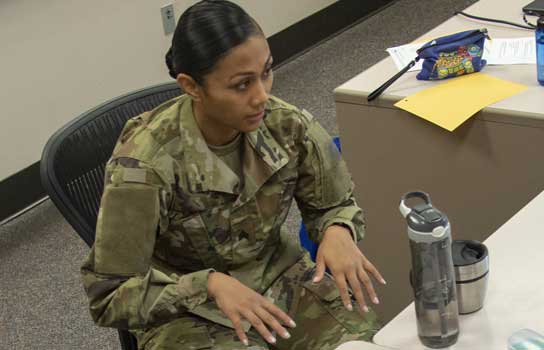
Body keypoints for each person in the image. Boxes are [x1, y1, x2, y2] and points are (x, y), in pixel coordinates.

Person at [81, 1, 381, 349]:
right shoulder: (145, 162)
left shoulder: (286, 125)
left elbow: (335, 202)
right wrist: (206, 285)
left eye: (266, 72)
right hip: (188, 313)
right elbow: (109, 295)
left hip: (278, 280)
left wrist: (338, 229)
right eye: (242, 85)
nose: (262, 96)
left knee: (362, 343)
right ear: (192, 87)